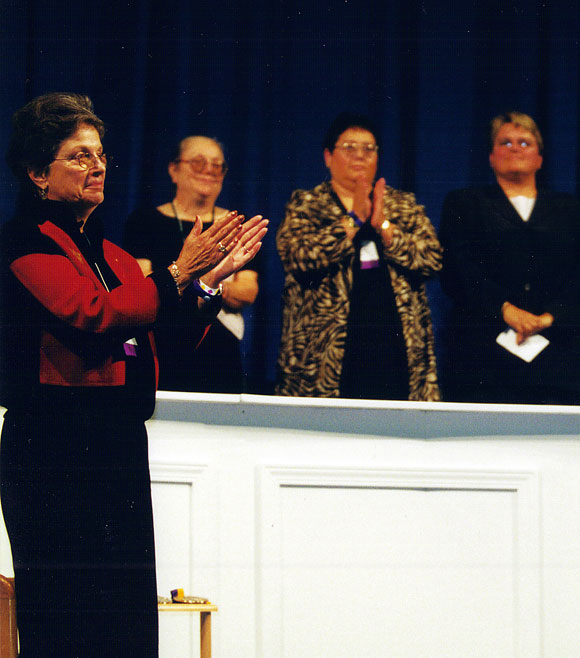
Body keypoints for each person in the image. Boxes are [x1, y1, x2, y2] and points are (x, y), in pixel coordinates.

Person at [0, 92, 266, 656]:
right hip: (54, 446)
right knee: (67, 618)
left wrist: (210, 283)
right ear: (36, 172)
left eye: (99, 154)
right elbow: (87, 316)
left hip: (117, 446)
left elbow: (162, 339)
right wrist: (175, 272)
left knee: (124, 619)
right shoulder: (21, 241)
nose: (96, 166)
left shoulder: (117, 256)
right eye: (77, 156)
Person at [276, 112, 442, 401]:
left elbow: (432, 258)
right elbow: (296, 255)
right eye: (349, 147)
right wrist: (353, 220)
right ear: (328, 157)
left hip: (395, 344)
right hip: (326, 352)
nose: (360, 156)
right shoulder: (307, 204)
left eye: (368, 149)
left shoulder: (403, 205)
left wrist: (384, 226)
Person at [440, 111, 580, 404]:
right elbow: (458, 271)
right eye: (505, 142)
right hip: (481, 363)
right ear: (491, 157)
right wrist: (506, 310)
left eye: (524, 142)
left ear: (539, 158)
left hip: (556, 361)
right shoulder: (464, 204)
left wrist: (548, 318)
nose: (515, 147)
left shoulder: (574, 211)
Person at [123, 136, 259, 393]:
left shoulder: (237, 225)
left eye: (217, 165)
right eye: (198, 163)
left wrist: (179, 280)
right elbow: (142, 283)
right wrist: (213, 282)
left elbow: (248, 291)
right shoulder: (145, 221)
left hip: (221, 351)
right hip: (162, 345)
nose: (209, 171)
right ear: (174, 170)